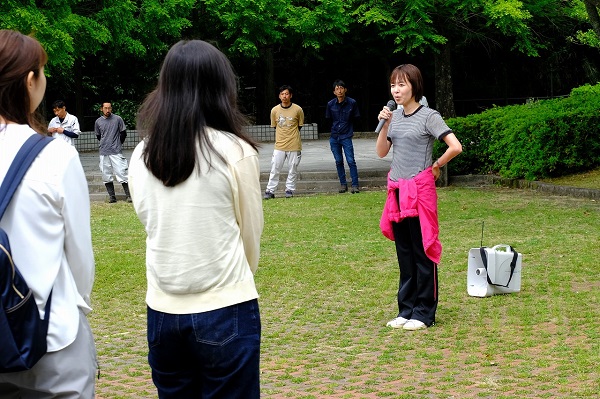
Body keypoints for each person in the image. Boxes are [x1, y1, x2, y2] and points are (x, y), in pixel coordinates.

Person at [128, 39, 263, 398]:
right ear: (220, 87)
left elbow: (149, 219)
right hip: (225, 307)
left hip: (161, 311)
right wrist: (236, 281)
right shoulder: (235, 151)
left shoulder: (142, 153)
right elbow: (250, 233)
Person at [0, 30, 96, 397]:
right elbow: (79, 255)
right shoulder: (54, 155)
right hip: (49, 334)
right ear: (29, 80)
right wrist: (79, 303)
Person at [376, 64, 462, 331]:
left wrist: (436, 165)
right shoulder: (394, 117)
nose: (396, 90)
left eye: (401, 84)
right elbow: (381, 152)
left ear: (414, 85)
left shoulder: (429, 116)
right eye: (393, 85)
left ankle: (425, 312)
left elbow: (455, 146)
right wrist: (385, 124)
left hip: (420, 191)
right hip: (398, 191)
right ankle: (406, 309)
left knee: (422, 248)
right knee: (404, 251)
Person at [264, 85, 304, 199]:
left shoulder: (298, 109)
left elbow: (299, 125)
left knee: (293, 168)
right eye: (282, 94)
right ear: (279, 96)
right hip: (279, 145)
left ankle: (290, 190)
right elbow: (275, 126)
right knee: (275, 168)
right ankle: (270, 191)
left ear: (291, 95)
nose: (284, 96)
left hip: (294, 145)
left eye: (286, 94)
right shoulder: (274, 110)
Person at [325, 80, 361, 193]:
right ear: (334, 92)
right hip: (334, 136)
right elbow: (328, 119)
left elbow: (356, 117)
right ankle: (343, 184)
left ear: (345, 90)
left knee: (351, 160)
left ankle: (355, 185)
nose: (339, 90)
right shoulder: (330, 104)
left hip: (346, 135)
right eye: (337, 89)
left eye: (341, 88)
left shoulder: (352, 103)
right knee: (338, 161)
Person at [94, 101, 131, 202]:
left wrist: (118, 143)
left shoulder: (118, 119)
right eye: (105, 108)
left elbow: (123, 133)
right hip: (103, 151)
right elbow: (98, 136)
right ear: (101, 109)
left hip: (116, 150)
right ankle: (112, 197)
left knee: (122, 172)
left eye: (109, 108)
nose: (107, 110)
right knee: (106, 174)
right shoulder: (98, 122)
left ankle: (129, 195)